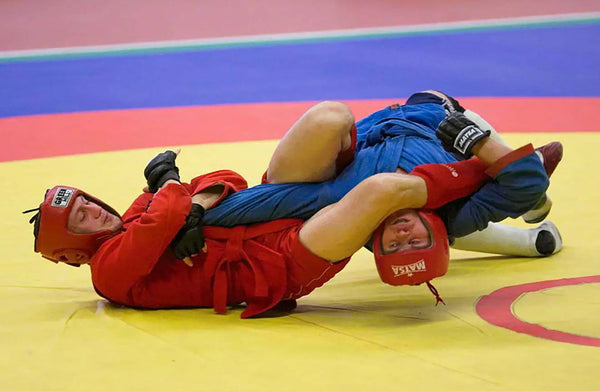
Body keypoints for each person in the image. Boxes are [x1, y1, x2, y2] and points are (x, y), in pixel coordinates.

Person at [24, 92, 559, 317]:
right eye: (83, 220)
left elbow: (228, 179)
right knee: (378, 193)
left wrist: (195, 199)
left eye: (89, 203)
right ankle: (496, 166)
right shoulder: (111, 275)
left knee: (331, 118)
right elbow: (166, 214)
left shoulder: (141, 216)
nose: (96, 211)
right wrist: (173, 194)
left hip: (265, 209)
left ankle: (499, 180)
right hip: (278, 262)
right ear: (73, 255)